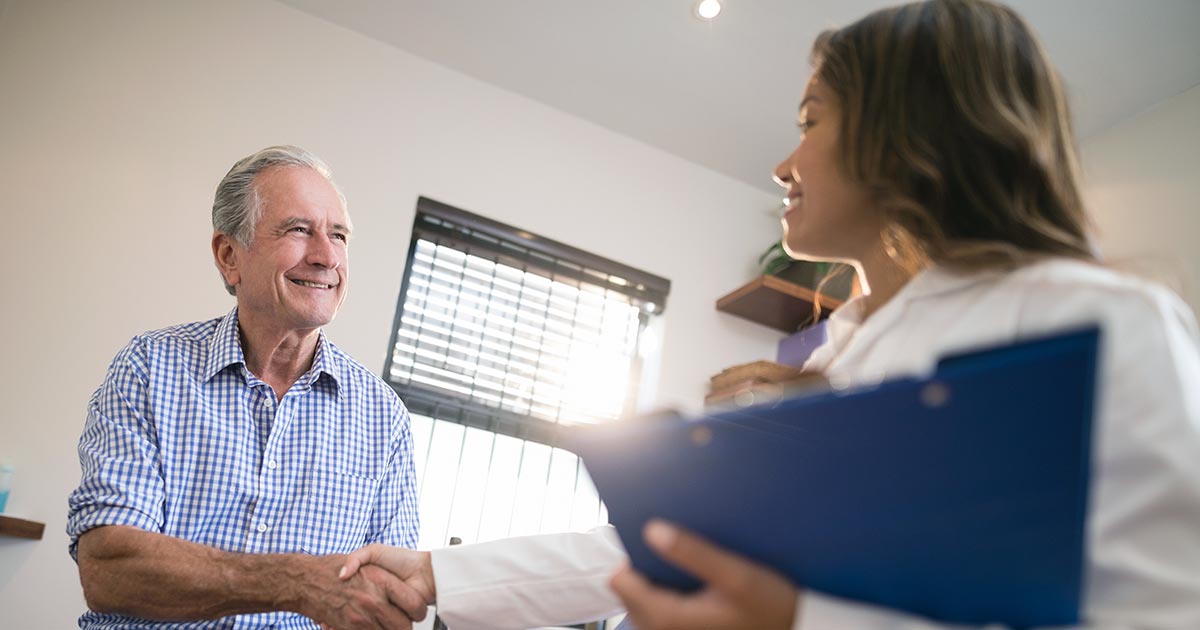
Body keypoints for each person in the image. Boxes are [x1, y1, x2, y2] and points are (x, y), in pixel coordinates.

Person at [337, 0, 1200, 628]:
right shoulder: (834, 365)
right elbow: (666, 548)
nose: (783, 162)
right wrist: (439, 573)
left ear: (910, 136)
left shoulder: (1103, 325)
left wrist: (796, 622)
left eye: (811, 119)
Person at [66, 146, 428, 630]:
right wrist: (298, 581)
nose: (326, 257)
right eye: (299, 230)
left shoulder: (385, 417)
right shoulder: (151, 368)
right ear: (229, 255)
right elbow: (111, 571)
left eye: (338, 235)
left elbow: (388, 602)